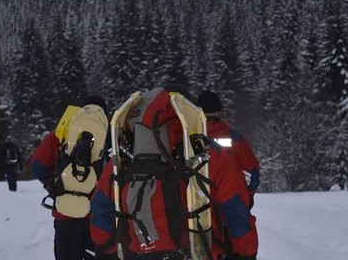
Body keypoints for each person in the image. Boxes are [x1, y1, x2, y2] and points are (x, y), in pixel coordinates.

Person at [90, 87, 258, 260]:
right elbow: (236, 208)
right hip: (197, 252)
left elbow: (101, 207)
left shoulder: (125, 157)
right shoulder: (207, 152)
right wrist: (246, 251)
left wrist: (106, 246)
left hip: (139, 253)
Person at [31, 95, 108, 260]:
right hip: (99, 218)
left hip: (65, 215)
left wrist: (55, 186)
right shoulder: (110, 135)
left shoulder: (62, 133)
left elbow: (38, 166)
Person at [196, 90, 261, 260]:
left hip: (200, 203)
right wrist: (250, 192)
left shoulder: (190, 141)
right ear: (219, 111)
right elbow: (253, 169)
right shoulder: (234, 137)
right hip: (233, 199)